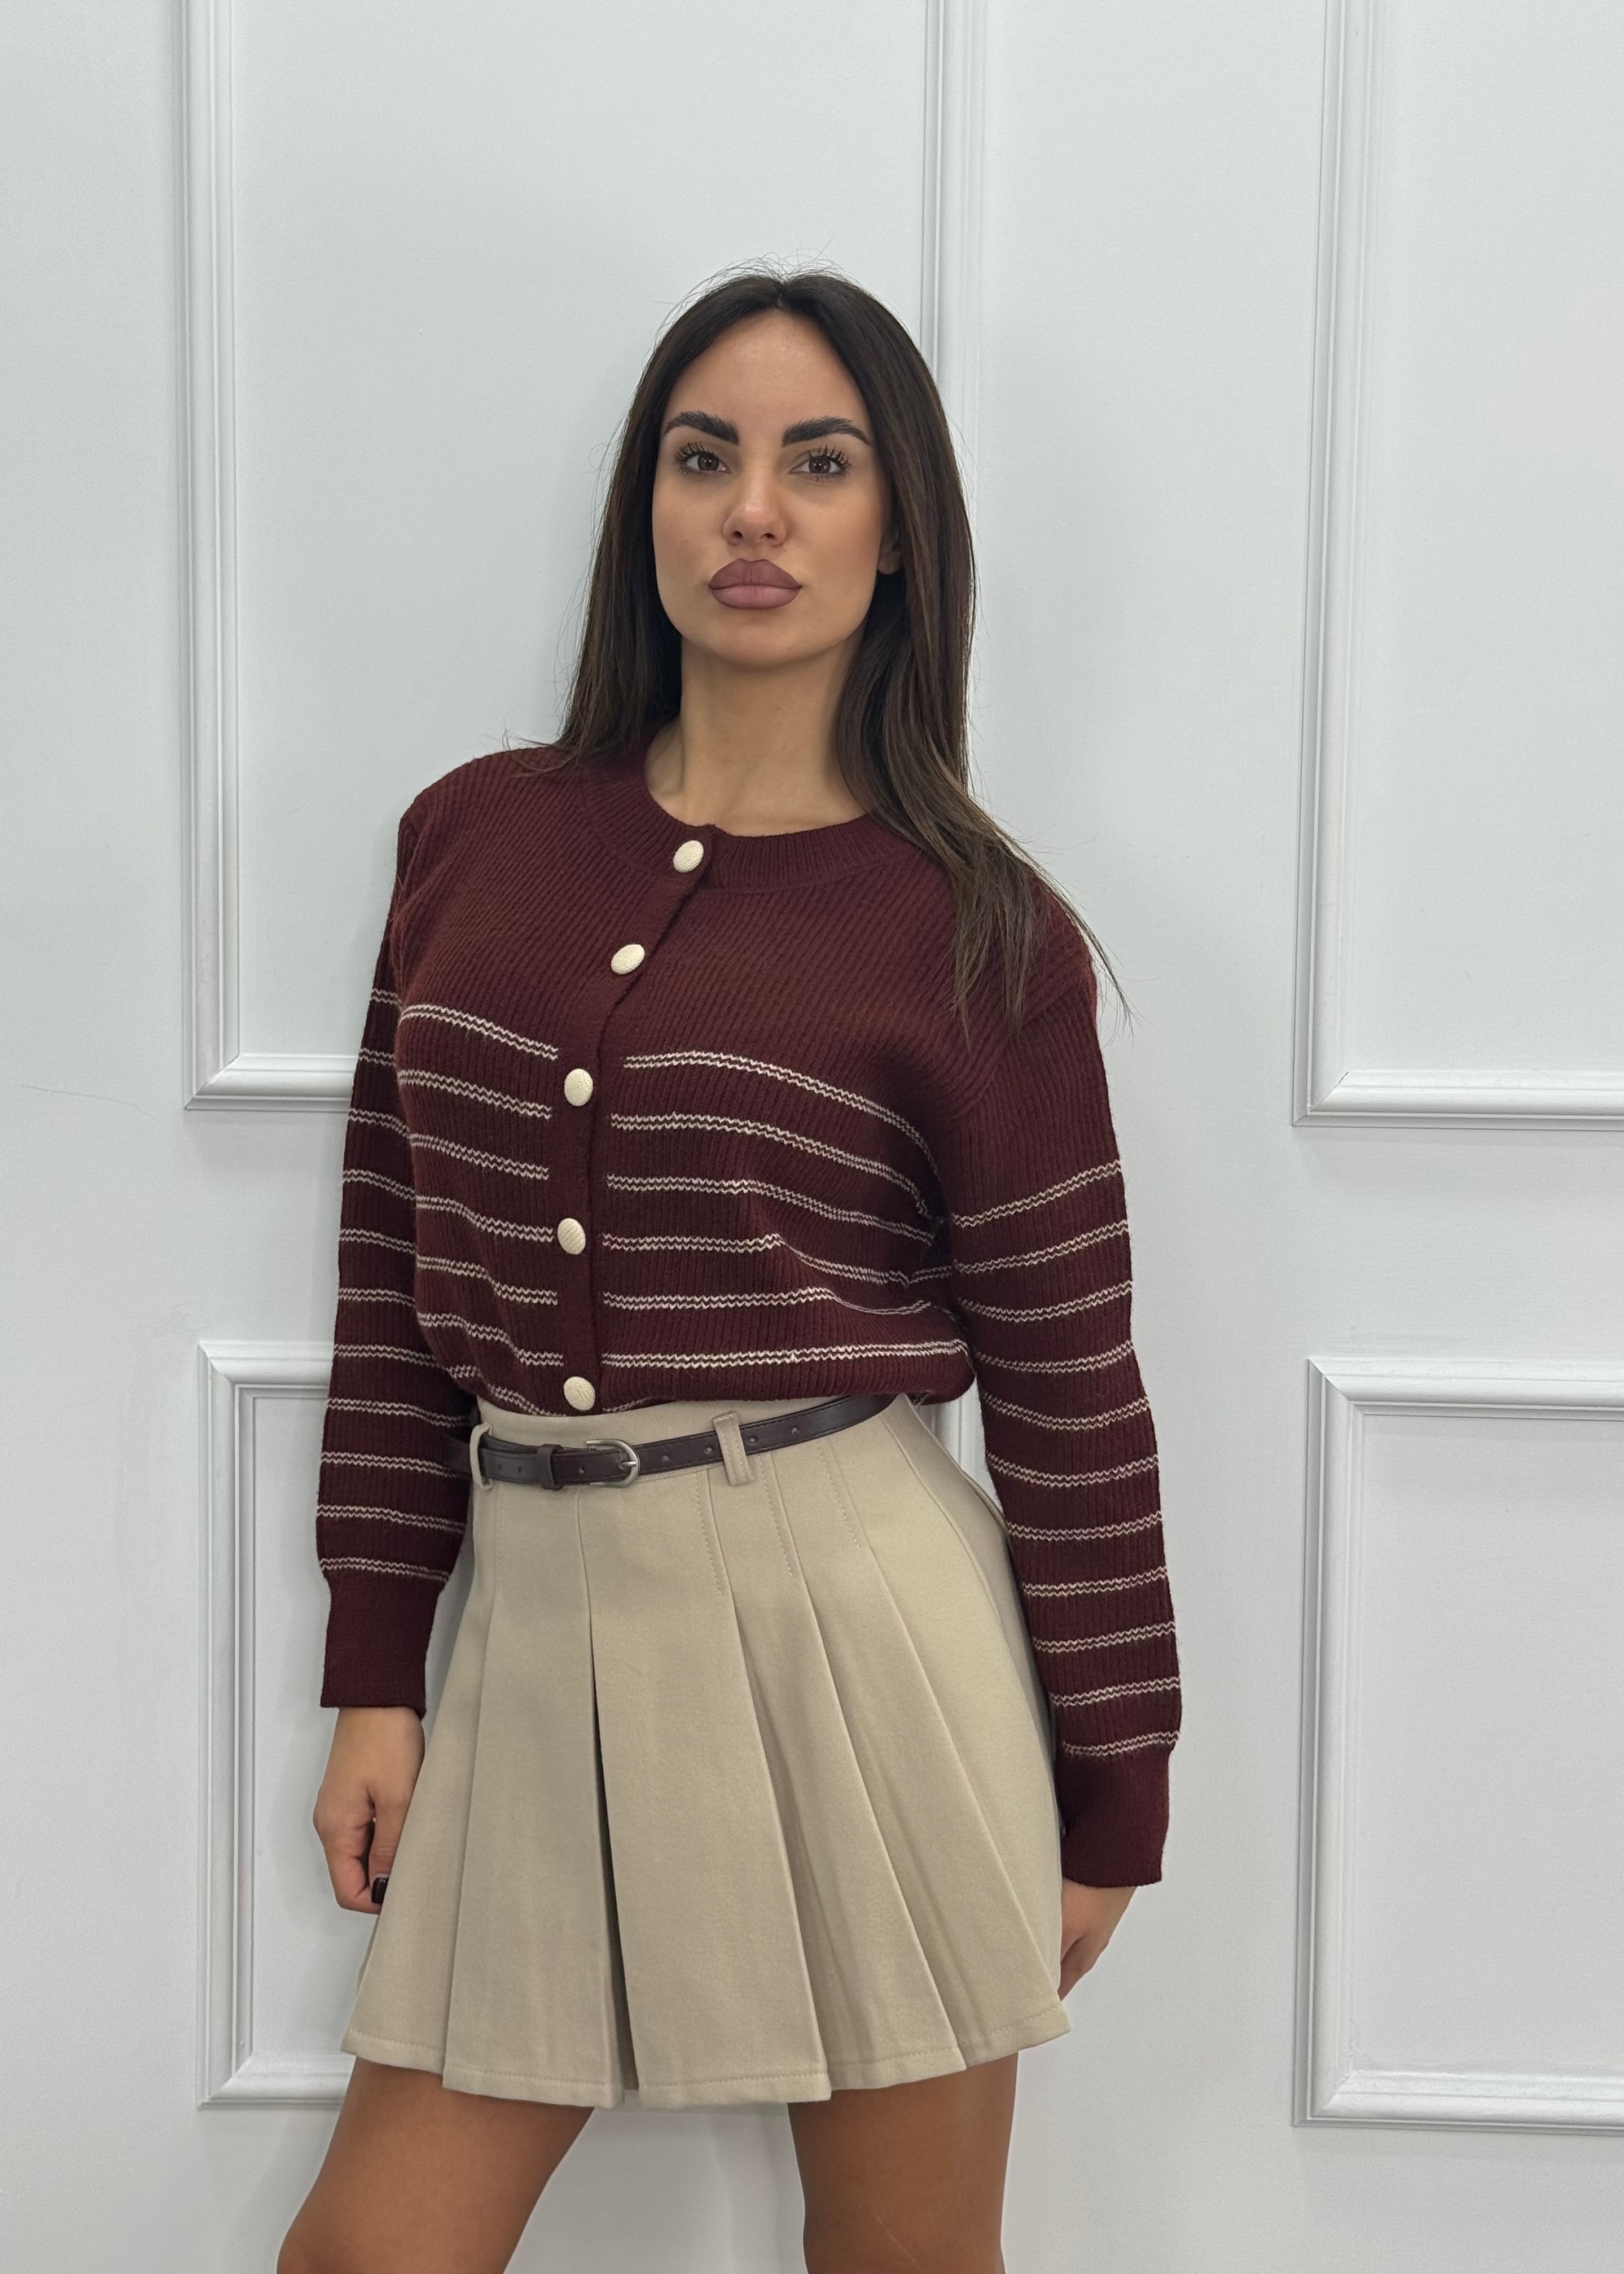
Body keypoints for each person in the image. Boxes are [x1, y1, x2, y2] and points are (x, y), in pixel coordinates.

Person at [278, 266, 1180, 2274]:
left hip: (861, 1634)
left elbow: (1071, 1386)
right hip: (535, 1631)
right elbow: (391, 1282)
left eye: (818, 463)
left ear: (900, 524)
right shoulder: (472, 841)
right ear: (649, 508)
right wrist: (375, 1673)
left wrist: (1116, 1789)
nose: (753, 511)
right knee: (369, 2254)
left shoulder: (975, 931)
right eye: (706, 460)